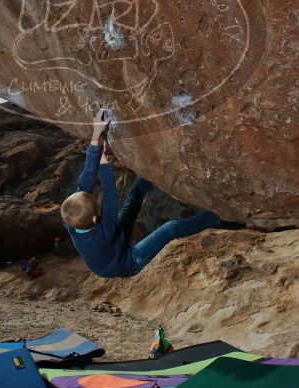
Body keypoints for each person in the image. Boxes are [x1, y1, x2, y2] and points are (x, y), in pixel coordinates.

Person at [60, 109, 221, 278]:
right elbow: (109, 193)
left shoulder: (71, 219)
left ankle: (154, 171)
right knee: (171, 228)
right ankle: (217, 217)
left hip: (113, 246)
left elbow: (87, 177)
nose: (91, 195)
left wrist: (96, 136)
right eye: (95, 202)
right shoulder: (105, 230)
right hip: (126, 263)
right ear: (95, 219)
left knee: (133, 199)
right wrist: (103, 156)